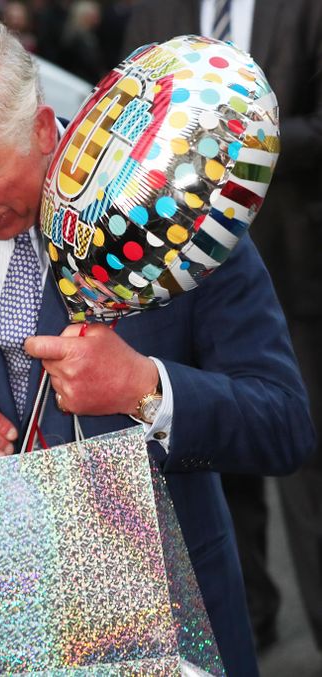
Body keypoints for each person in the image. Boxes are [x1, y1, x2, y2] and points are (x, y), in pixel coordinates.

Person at [0, 19, 314, 677]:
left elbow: (285, 424)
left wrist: (147, 389)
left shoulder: (177, 210)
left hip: (166, 618)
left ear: (42, 131)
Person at [123, 0, 322, 654]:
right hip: (176, 284)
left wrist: (231, 140)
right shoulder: (156, 10)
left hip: (295, 270)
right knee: (207, 445)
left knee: (303, 468)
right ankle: (250, 618)